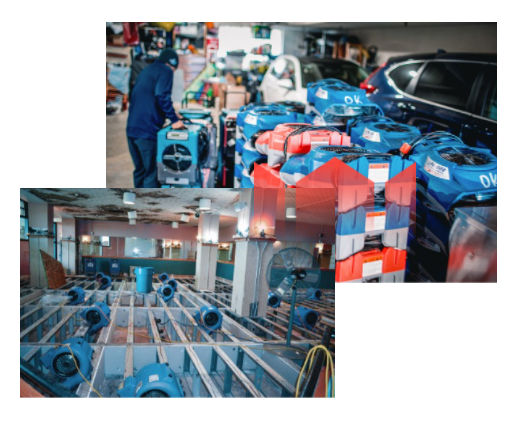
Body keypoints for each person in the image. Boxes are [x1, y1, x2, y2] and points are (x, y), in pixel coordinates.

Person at [126, 48, 184, 188]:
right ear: (173, 64)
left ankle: (138, 203)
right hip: (147, 131)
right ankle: (148, 207)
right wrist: (175, 120)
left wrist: (171, 114)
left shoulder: (147, 70)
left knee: (140, 170)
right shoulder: (166, 70)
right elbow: (162, 96)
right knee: (152, 173)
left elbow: (149, 98)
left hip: (132, 129)